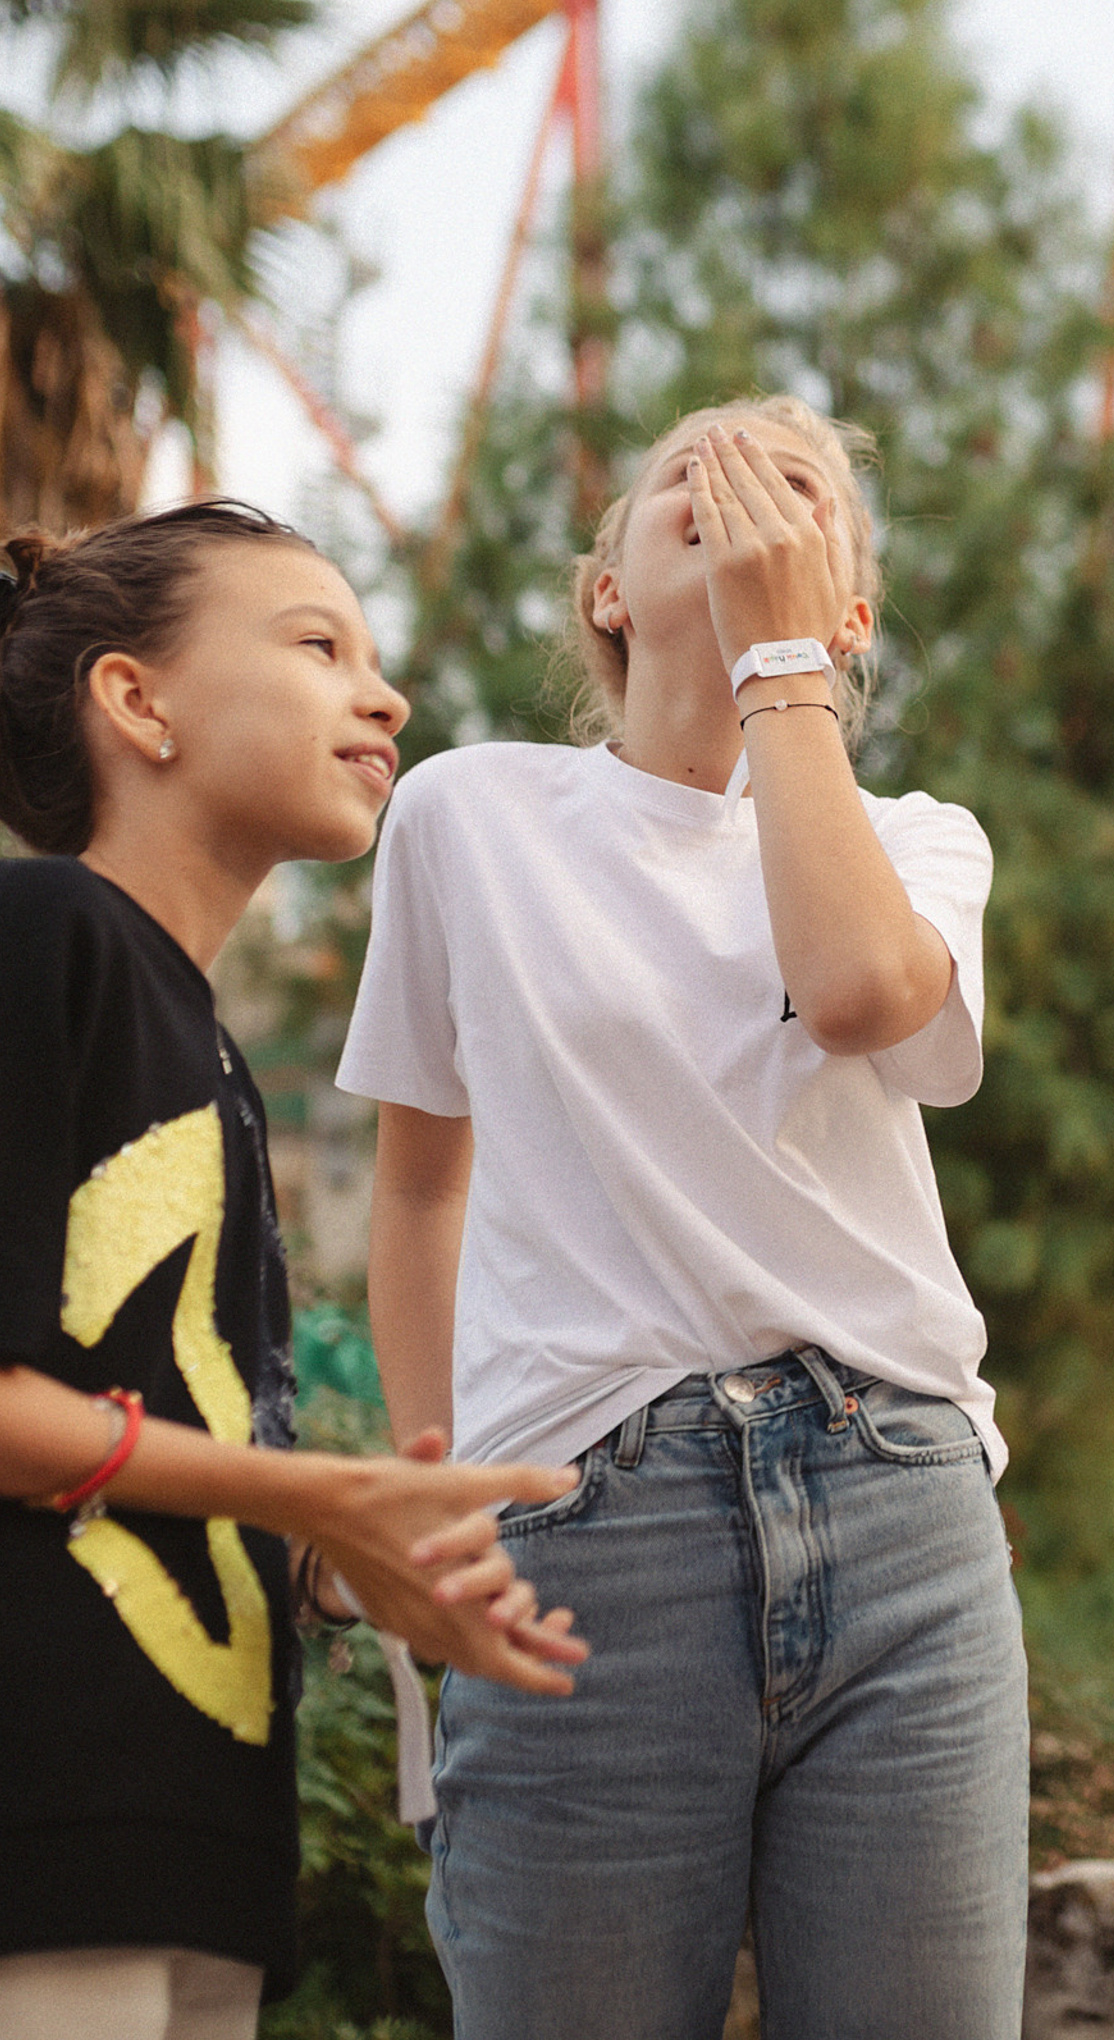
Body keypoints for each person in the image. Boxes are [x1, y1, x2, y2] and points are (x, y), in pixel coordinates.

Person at [345, 397, 1026, 2040]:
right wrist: (429, 1498)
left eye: (797, 487)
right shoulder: (466, 815)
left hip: (901, 1515)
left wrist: (780, 672)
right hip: (586, 1525)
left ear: (846, 608)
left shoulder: (919, 843)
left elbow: (861, 991)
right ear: (606, 591)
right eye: (689, 474)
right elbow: (420, 1180)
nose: (738, 485)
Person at [0, 502, 588, 2040]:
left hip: (189, 1839)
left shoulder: (213, 1052)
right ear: (138, 703)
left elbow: (164, 1410)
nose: (383, 697)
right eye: (320, 646)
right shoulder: (41, 933)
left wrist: (342, 1567)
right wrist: (320, 1497)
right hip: (45, 1819)